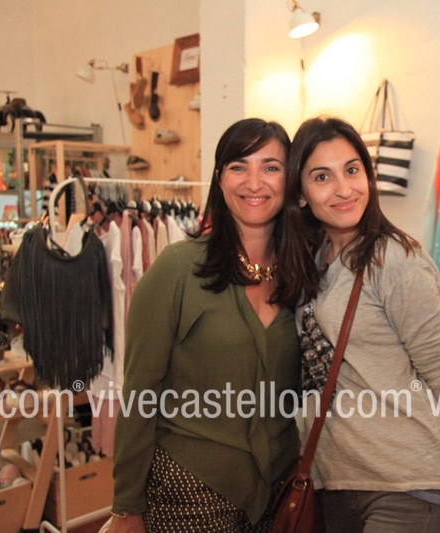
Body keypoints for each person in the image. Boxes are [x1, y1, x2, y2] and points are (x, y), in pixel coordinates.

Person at [275, 116, 440, 533]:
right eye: (322, 177)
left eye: (352, 170)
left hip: (408, 484)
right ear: (300, 194)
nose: (344, 188)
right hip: (336, 481)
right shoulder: (314, 260)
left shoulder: (395, 260)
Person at [108, 118, 300, 532]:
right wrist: (126, 506)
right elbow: (140, 391)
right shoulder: (178, 268)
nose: (254, 182)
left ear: (290, 179)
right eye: (238, 166)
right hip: (189, 491)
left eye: (270, 167)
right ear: (219, 177)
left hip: (279, 493)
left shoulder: (302, 275)